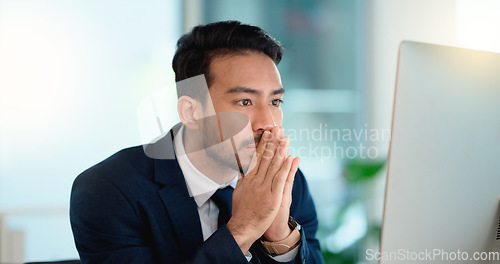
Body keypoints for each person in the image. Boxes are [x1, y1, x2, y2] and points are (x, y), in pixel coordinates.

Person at [70, 20, 323, 264]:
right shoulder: (110, 190)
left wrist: (280, 237)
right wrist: (242, 230)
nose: (268, 123)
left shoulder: (287, 183)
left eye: (275, 102)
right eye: (244, 102)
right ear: (191, 112)